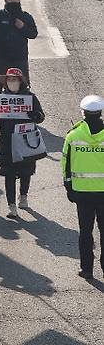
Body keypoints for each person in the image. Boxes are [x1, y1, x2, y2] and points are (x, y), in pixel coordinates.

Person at [0, 68, 45, 219]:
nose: (11, 82)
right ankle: (11, 205)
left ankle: (23, 196)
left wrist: (33, 114)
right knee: (8, 173)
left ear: (21, 81)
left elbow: (41, 117)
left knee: (26, 170)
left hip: (26, 140)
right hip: (7, 140)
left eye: (14, 79)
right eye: (9, 79)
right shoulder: (2, 98)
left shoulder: (30, 97)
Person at [61, 94, 104, 280]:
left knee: (85, 232)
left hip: (82, 192)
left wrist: (68, 188)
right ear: (101, 113)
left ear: (83, 112)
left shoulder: (73, 135)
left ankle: (86, 269)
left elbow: (65, 163)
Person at [0, 0, 38, 85]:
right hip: (2, 55)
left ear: (19, 0)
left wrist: (23, 27)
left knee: (23, 84)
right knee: (1, 83)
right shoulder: (0, 14)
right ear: (6, 0)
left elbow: (33, 34)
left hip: (20, 56)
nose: (13, 1)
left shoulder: (25, 16)